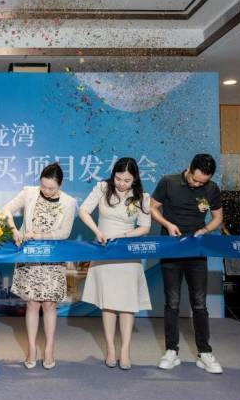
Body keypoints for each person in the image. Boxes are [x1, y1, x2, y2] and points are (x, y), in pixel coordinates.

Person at [150, 153, 224, 374]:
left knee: (199, 303)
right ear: (189, 168)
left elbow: (218, 218)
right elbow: (152, 207)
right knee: (172, 302)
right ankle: (171, 351)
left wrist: (205, 230)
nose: (198, 184)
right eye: (195, 180)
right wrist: (167, 224)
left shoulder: (212, 188)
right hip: (171, 249)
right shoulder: (169, 181)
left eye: (202, 182)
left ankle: (205, 353)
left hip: (196, 251)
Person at [79, 157, 152, 370]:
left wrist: (125, 236)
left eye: (127, 180)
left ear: (135, 179)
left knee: (127, 304)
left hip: (127, 253)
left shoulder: (142, 196)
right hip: (105, 252)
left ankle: (125, 350)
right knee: (108, 302)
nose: (121, 183)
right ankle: (111, 349)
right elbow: (83, 211)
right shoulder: (102, 188)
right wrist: (97, 231)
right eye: (118, 178)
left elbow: (145, 227)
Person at [2, 162, 77, 370]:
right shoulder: (29, 192)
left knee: (49, 304)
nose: (46, 191)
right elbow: (6, 209)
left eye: (51, 188)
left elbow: (64, 233)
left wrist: (39, 235)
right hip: (29, 258)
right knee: (32, 304)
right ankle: (31, 348)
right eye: (43, 186)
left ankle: (49, 348)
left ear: (60, 185)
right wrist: (14, 229)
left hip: (52, 258)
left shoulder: (69, 202)